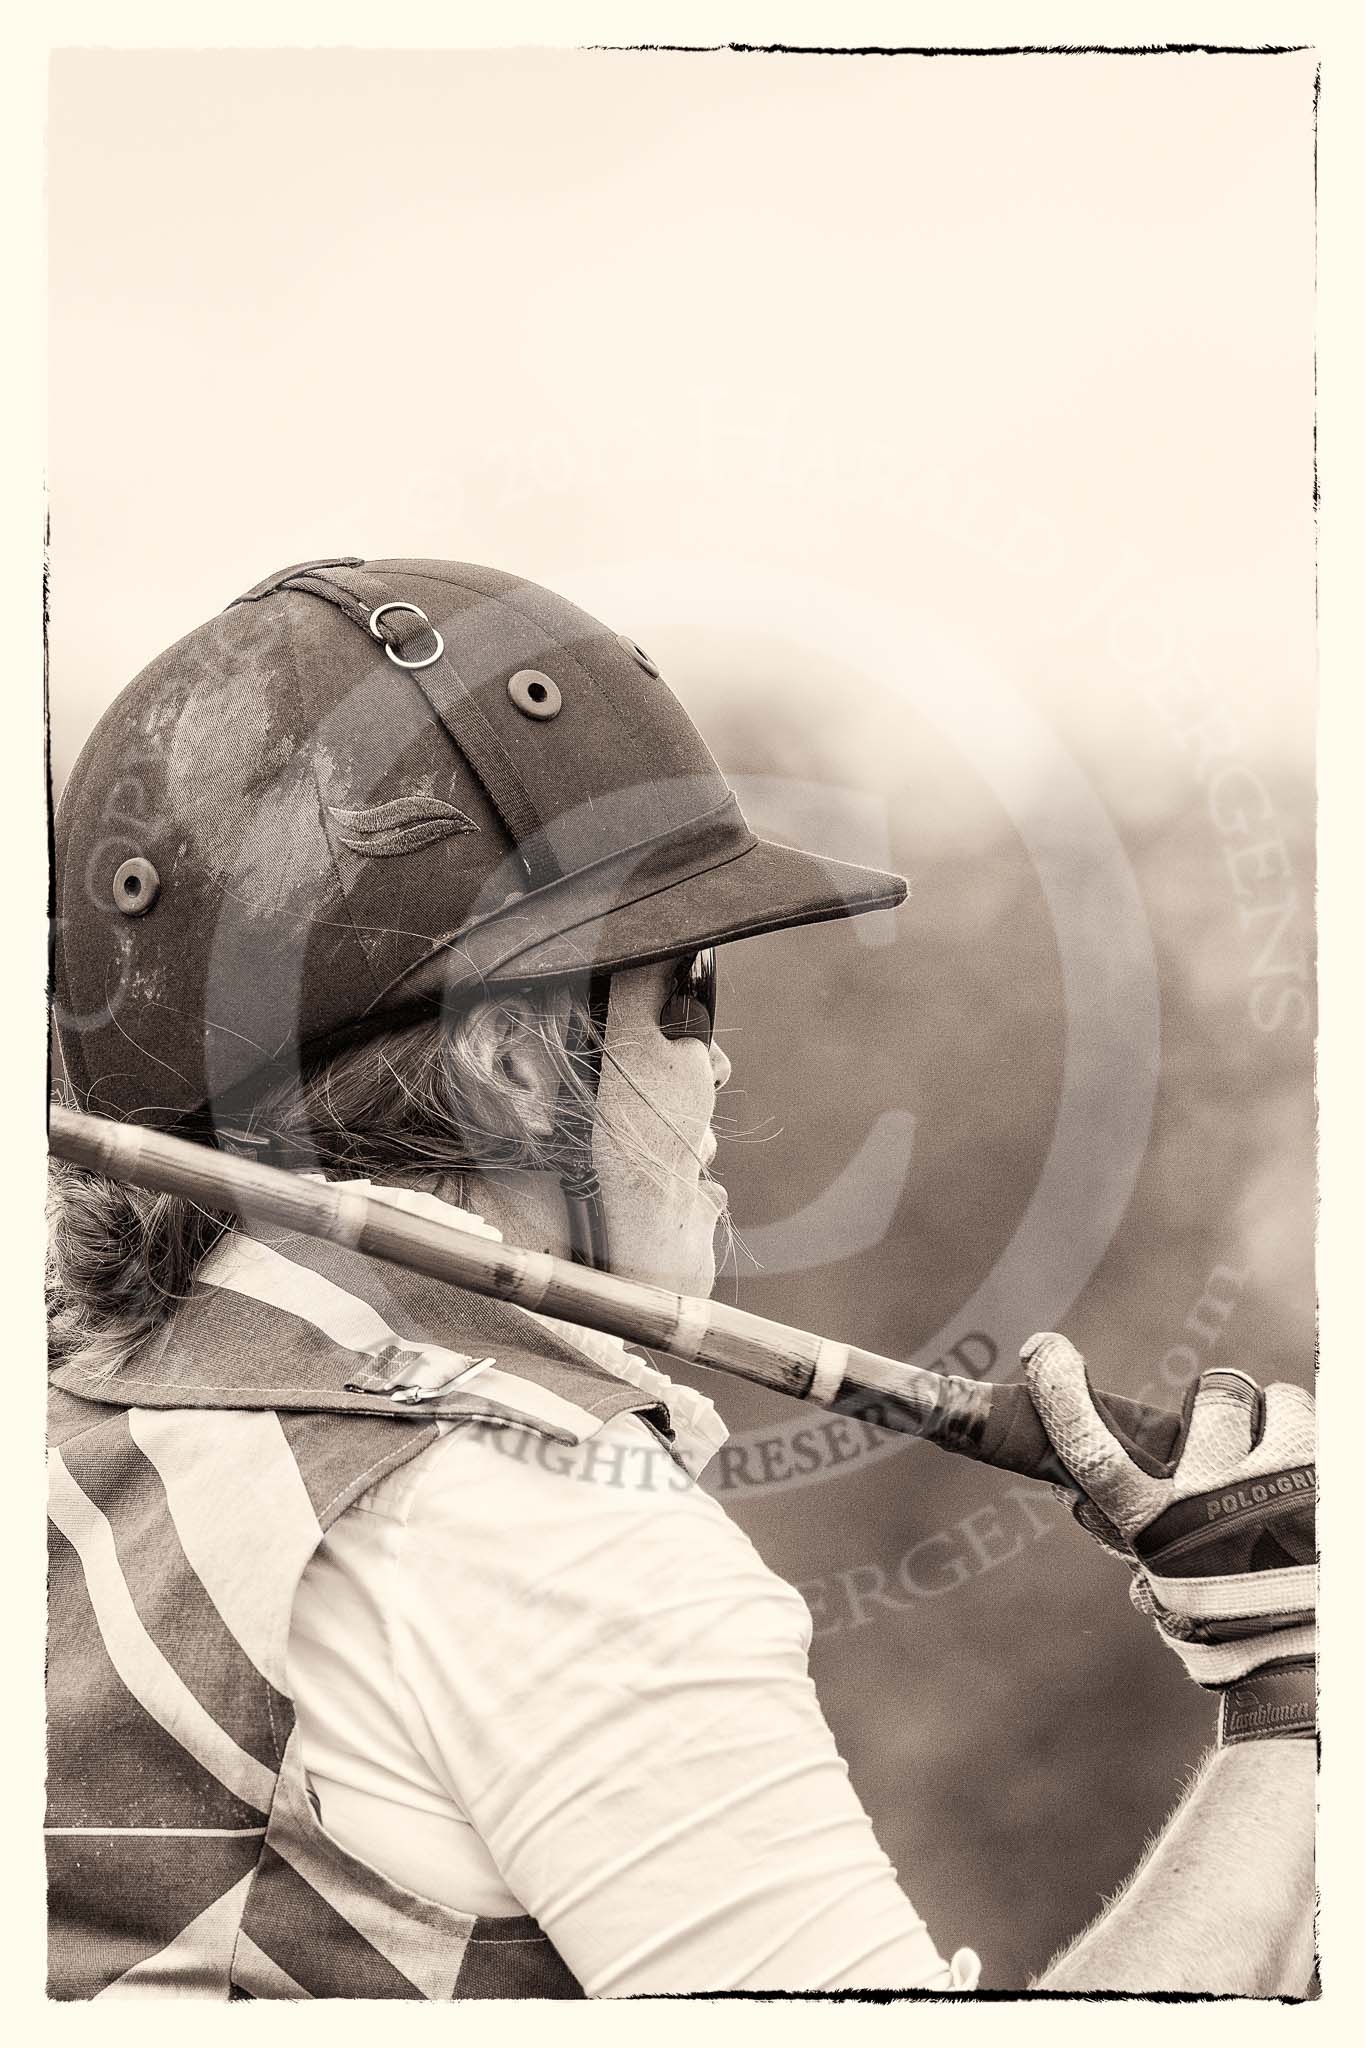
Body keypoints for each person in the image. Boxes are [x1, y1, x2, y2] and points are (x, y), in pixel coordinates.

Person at [47, 558, 1316, 1999]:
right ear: (514, 1063)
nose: (717, 1061)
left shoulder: (75, 1449)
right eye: (687, 992)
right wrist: (1293, 1716)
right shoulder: (533, 1526)